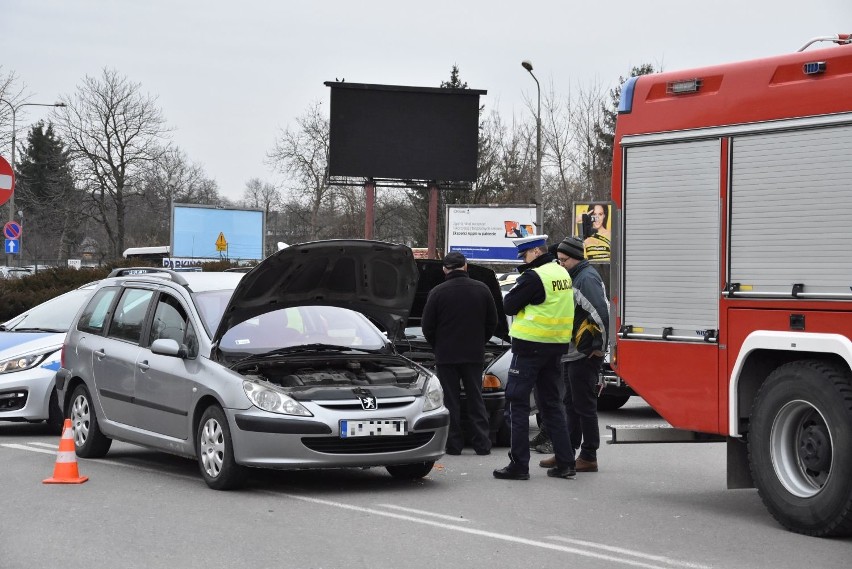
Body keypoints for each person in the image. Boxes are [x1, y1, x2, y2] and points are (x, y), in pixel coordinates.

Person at [493, 235, 576, 480]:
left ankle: (519, 465)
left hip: (530, 348)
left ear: (536, 252)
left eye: (525, 255)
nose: (523, 260)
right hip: (556, 346)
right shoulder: (561, 274)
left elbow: (508, 305)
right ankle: (565, 462)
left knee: (516, 405)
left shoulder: (534, 276)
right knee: (552, 404)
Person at [540, 236, 609, 473]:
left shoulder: (586, 278)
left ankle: (589, 456)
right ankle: (566, 453)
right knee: (570, 404)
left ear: (576, 257)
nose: (561, 264)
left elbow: (600, 314)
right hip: (573, 352)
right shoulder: (574, 275)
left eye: (564, 260)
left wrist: (597, 347)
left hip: (584, 353)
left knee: (583, 406)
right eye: (558, 260)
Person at [421, 251, 498, 455]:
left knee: (450, 400)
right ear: (465, 266)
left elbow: (427, 326)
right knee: (475, 397)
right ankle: (482, 443)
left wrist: (438, 345)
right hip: (474, 354)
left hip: (446, 355)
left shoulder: (437, 292)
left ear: (445, 269)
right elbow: (492, 322)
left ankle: (453, 445)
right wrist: (479, 341)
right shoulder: (482, 289)